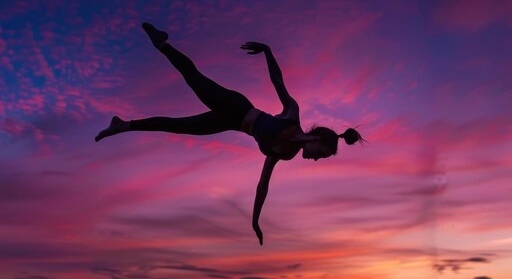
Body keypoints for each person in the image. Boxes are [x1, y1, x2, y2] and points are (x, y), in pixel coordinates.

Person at [95, 23, 364, 245]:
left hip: (228, 122)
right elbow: (277, 82)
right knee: (193, 78)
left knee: (178, 126)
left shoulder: (285, 153)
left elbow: (262, 186)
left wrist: (255, 220)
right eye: (320, 155)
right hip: (237, 106)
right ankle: (162, 43)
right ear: (317, 140)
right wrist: (268, 52)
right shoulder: (292, 116)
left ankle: (123, 125)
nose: (316, 160)